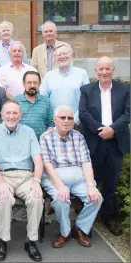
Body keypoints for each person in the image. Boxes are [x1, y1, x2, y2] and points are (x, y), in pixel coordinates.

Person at [0, 100, 44, 262]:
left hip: (26, 177)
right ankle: (3, 241)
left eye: (15, 113)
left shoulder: (29, 132)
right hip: (2, 176)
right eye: (8, 113)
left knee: (37, 198)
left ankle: (31, 241)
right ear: (2, 115)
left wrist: (37, 182)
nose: (11, 116)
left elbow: (38, 160)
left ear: (20, 115)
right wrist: (1, 183)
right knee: (3, 199)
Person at [79, 56, 130, 236]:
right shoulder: (86, 89)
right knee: (91, 181)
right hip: (95, 141)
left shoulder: (125, 89)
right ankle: (88, 219)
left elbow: (128, 113)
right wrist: (101, 130)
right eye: (101, 69)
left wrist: (113, 130)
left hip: (116, 143)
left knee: (111, 182)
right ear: (96, 71)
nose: (104, 72)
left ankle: (109, 217)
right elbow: (83, 114)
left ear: (112, 70)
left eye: (107, 69)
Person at [40, 105, 102, 248]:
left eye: (70, 118)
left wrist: (91, 186)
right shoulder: (45, 137)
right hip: (55, 176)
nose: (66, 121)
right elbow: (47, 165)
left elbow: (86, 162)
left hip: (78, 175)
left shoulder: (78, 136)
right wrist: (61, 186)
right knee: (60, 199)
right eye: (62, 117)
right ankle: (65, 232)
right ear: (55, 119)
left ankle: (79, 228)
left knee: (96, 198)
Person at [40, 45, 89, 127]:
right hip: (55, 123)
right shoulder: (48, 76)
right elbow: (44, 100)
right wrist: (53, 121)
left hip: (78, 123)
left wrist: (75, 121)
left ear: (71, 55)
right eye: (59, 55)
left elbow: (86, 99)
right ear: (54, 59)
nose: (62, 56)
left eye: (65, 53)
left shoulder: (82, 73)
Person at [14, 71, 54, 140]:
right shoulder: (15, 101)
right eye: (29, 82)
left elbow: (51, 124)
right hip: (20, 144)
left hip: (41, 145)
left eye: (35, 83)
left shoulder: (46, 101)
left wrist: (45, 140)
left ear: (39, 84)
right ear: (23, 83)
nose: (32, 85)